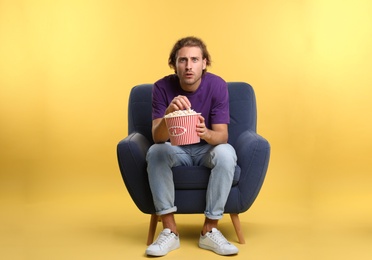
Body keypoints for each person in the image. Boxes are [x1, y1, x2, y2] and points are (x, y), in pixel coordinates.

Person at [145, 36, 239, 257]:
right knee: (155, 151)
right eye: (183, 60)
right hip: (175, 150)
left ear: (204, 63)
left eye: (195, 59)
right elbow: (158, 138)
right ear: (174, 64)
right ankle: (169, 231)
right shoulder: (161, 87)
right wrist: (168, 114)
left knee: (227, 153)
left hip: (206, 150)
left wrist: (205, 133)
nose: (189, 66)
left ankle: (210, 230)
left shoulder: (217, 85)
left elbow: (222, 136)